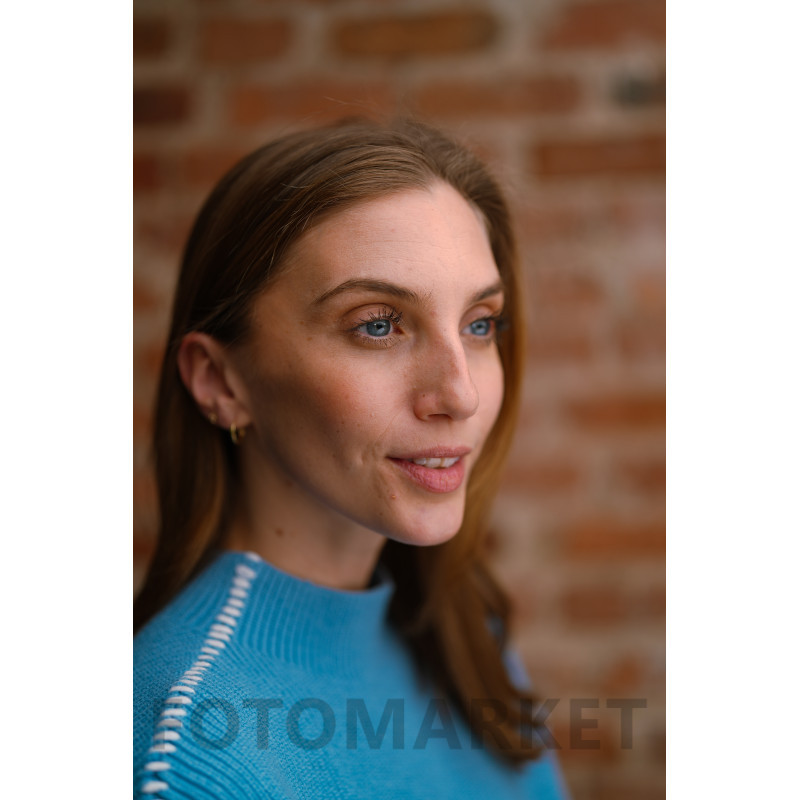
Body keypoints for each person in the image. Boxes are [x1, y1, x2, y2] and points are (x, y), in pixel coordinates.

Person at [133, 118, 569, 799]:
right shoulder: (189, 754)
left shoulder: (465, 638)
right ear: (221, 382)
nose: (460, 394)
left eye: (479, 324)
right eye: (378, 324)